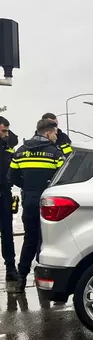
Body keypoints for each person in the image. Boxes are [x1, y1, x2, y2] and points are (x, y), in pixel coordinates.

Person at [8, 119, 66, 294]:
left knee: (30, 241)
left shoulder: (20, 153)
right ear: (48, 133)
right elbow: (63, 178)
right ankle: (47, 282)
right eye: (55, 133)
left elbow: (12, 178)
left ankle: (21, 280)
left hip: (30, 201)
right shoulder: (54, 153)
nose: (56, 136)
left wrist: (27, 187)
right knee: (50, 242)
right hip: (50, 203)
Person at [0, 116, 19, 284]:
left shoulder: (9, 145)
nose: (6, 134)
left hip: (4, 194)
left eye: (7, 131)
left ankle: (11, 268)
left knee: (7, 234)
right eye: (3, 131)